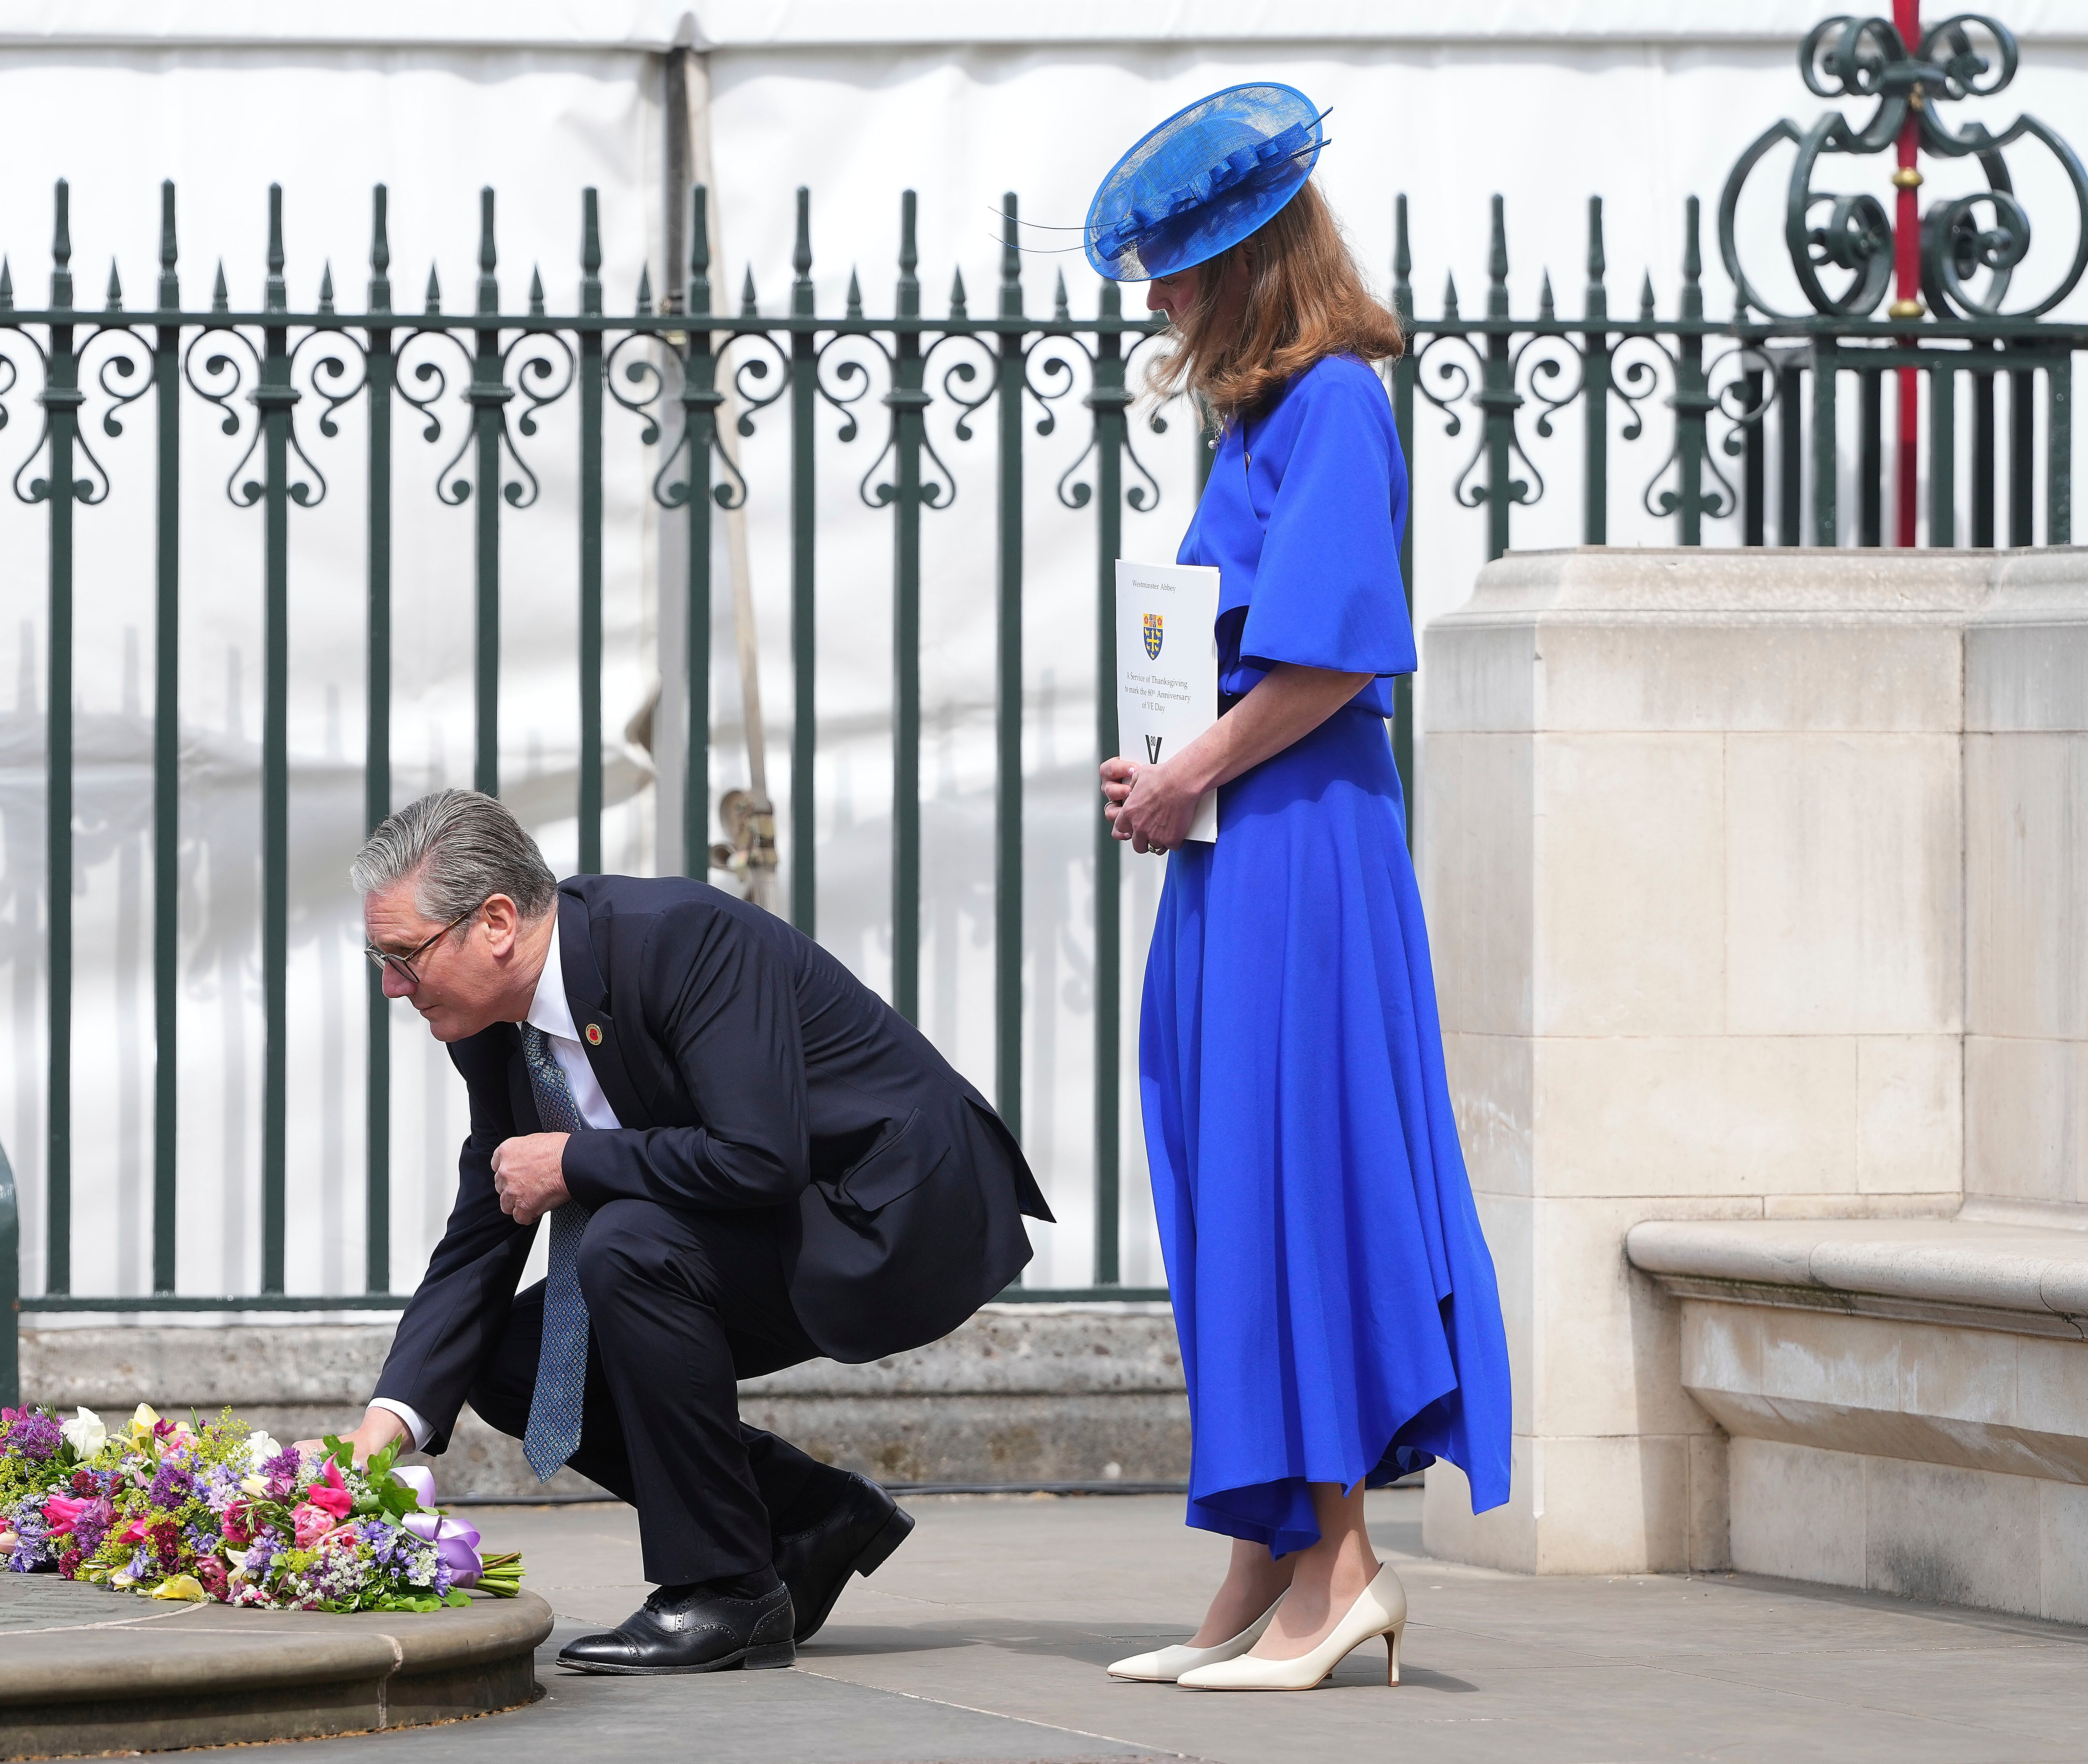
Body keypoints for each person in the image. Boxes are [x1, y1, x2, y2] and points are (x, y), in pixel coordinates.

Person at [1087, 84, 1512, 1693]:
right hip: (1246, 839)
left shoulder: (1333, 401)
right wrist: (1171, 767)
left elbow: (1335, 654)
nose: (1159, 296)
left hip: (1302, 844)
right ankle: (1272, 1553)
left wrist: (1189, 768)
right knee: (1234, 1168)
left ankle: (1339, 1569)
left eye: (1182, 265)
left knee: (1298, 1178)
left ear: (1252, 262)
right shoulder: (1268, 416)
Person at [340, 789, 1054, 1675]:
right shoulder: (489, 1024)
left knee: (629, 1244)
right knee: (512, 1358)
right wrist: (383, 1426)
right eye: (380, 958)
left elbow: (759, 1158)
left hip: (886, 1213)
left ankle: (726, 1593)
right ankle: (808, 1518)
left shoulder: (680, 937)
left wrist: (577, 1162)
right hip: (767, 1217)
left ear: (494, 922)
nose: (390, 986)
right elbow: (491, 1215)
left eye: (404, 955)